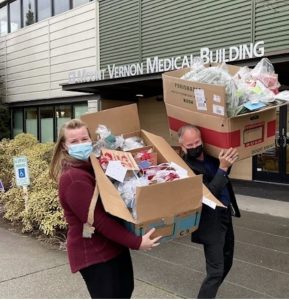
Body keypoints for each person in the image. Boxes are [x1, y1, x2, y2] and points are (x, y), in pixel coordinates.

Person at [49, 119, 161, 299]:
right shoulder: (73, 178)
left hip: (112, 246)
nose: (81, 144)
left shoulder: (92, 166)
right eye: (74, 141)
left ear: (91, 140)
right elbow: (99, 221)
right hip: (94, 252)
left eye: (84, 139)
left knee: (124, 292)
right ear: (64, 146)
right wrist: (136, 242)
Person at [178, 124, 241, 299]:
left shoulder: (213, 157)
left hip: (225, 214)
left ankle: (209, 293)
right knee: (215, 271)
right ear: (182, 146)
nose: (194, 147)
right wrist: (223, 168)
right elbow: (208, 194)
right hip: (209, 222)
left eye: (196, 142)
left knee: (227, 262)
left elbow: (225, 173)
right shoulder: (185, 168)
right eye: (189, 145)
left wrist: (226, 164)